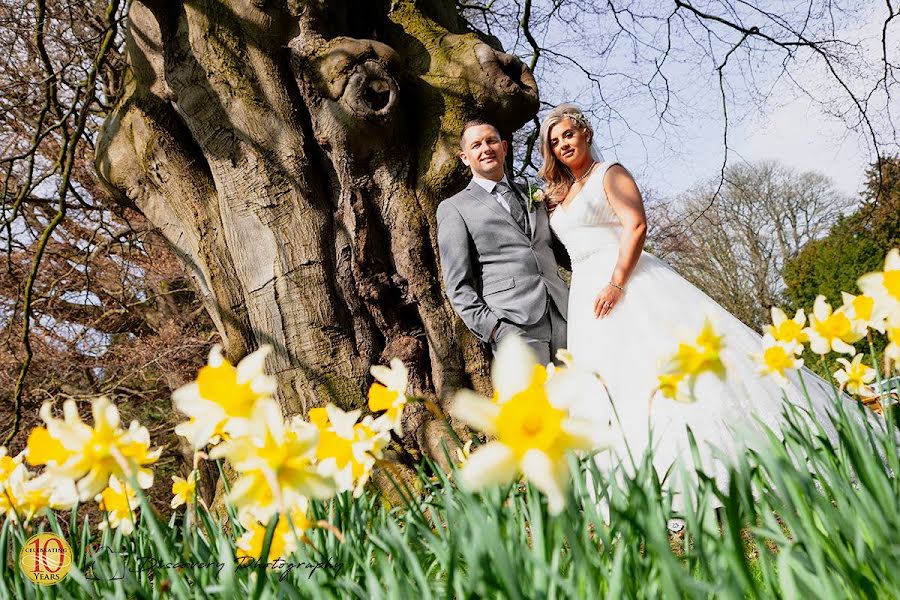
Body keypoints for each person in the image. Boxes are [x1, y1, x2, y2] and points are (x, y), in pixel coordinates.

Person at [540, 104, 854, 518]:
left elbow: (635, 224)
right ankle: (643, 482)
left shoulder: (608, 173)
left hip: (625, 283)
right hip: (585, 296)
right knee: (616, 384)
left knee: (673, 372)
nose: (563, 143)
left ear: (585, 133)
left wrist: (616, 282)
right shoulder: (559, 194)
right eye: (555, 140)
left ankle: (724, 467)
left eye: (568, 134)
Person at [436, 118, 570, 365]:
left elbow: (562, 250)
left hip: (563, 315)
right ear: (464, 157)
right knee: (528, 403)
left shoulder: (534, 193)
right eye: (476, 145)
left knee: (575, 400)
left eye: (491, 141)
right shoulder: (454, 208)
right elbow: (457, 285)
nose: (486, 148)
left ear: (504, 147)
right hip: (513, 325)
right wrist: (494, 329)